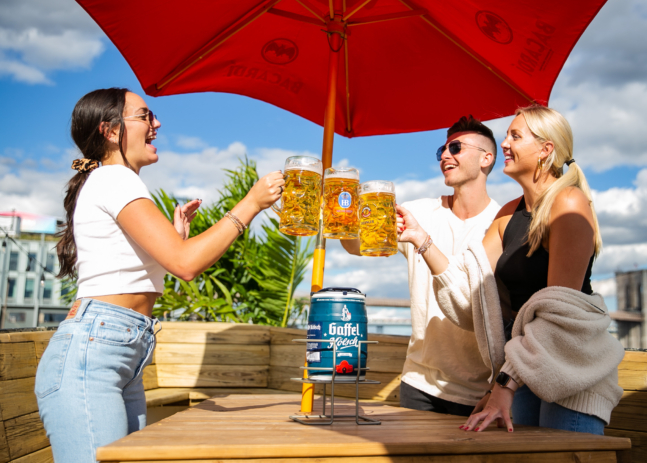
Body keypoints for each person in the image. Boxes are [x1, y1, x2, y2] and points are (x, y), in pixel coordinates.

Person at [35, 88, 284, 463]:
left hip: (119, 348)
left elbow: (150, 268)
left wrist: (174, 239)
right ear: (110, 130)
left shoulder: (112, 181)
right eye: (145, 116)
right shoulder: (114, 179)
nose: (157, 123)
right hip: (95, 352)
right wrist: (251, 204)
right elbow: (185, 265)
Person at [396, 105, 624, 435]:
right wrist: (421, 239)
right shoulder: (507, 215)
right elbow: (468, 294)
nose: (504, 143)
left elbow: (558, 316)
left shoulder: (569, 203)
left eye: (515, 136)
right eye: (506, 135)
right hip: (525, 370)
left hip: (571, 368)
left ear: (546, 150)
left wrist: (502, 384)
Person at [341, 115, 501, 416]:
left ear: (486, 158)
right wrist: (343, 212)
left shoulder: (500, 224)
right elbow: (355, 246)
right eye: (441, 149)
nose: (444, 155)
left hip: (481, 391)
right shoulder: (418, 212)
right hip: (419, 385)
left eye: (455, 147)